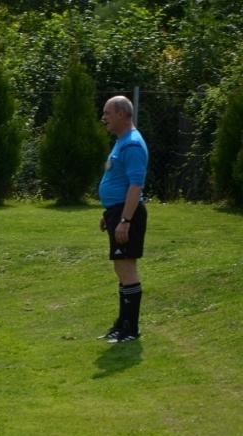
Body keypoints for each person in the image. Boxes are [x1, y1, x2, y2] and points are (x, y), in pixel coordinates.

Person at [97, 96, 149, 343]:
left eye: (107, 112)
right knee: (121, 268)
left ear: (121, 114)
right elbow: (119, 182)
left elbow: (136, 186)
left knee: (127, 269)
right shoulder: (122, 142)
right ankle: (122, 324)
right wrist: (109, 213)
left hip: (128, 214)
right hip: (117, 212)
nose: (103, 117)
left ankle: (131, 329)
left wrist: (125, 220)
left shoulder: (133, 145)